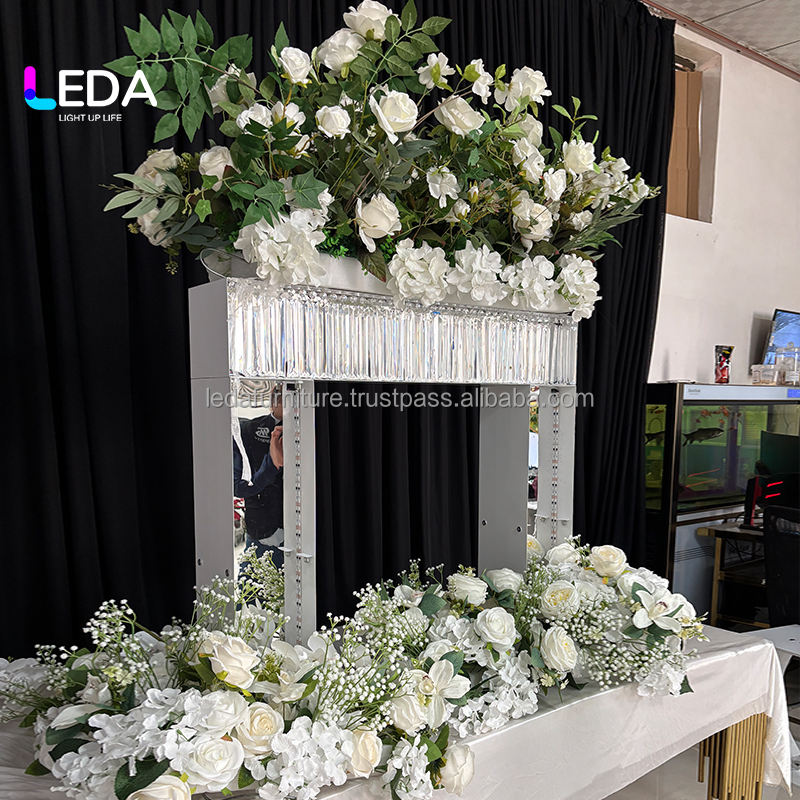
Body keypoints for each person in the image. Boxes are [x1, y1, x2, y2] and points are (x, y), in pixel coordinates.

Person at [232, 385, 284, 566]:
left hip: (310, 528)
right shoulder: (248, 430)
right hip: (264, 532)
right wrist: (272, 465)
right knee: (254, 581)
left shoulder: (317, 429)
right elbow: (239, 486)